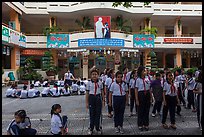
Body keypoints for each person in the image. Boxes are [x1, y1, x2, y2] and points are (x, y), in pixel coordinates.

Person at [86, 68, 104, 135]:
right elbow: (87, 93)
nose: (94, 76)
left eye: (96, 74)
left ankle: (98, 128)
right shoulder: (89, 83)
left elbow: (102, 92)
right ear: (91, 75)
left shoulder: (100, 83)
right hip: (91, 98)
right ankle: (91, 128)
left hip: (98, 98)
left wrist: (103, 101)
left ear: (98, 75)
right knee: (92, 114)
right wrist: (87, 103)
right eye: (93, 74)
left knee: (98, 114)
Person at [135, 66, 152, 131]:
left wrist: (151, 97)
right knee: (140, 111)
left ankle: (146, 124)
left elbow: (149, 88)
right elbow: (136, 89)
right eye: (144, 71)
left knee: (146, 110)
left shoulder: (147, 78)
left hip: (147, 94)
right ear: (140, 72)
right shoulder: (138, 80)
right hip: (141, 94)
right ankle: (140, 124)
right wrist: (136, 99)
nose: (145, 72)